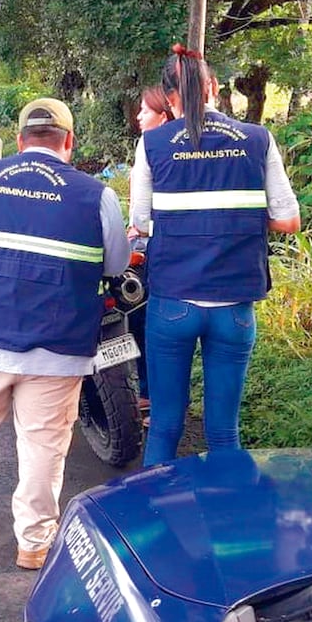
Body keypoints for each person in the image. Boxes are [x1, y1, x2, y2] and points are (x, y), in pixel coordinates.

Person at [0, 98, 131, 570]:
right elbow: (116, 264)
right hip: (57, 350)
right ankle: (34, 543)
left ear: (19, 141)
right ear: (69, 143)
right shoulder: (96, 195)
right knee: (43, 447)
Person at [130, 45, 301, 465]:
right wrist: (236, 219)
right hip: (235, 307)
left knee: (166, 424)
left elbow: (142, 222)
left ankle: (156, 520)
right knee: (224, 431)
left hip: (173, 303)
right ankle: (229, 525)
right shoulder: (258, 139)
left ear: (169, 97)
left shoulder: (153, 144)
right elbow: (289, 220)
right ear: (213, 87)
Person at [126, 84, 176, 417]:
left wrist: (135, 231)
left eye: (145, 110)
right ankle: (151, 393)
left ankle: (152, 395)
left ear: (165, 114)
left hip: (156, 243)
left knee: (142, 315)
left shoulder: (153, 147)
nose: (139, 116)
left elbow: (141, 218)